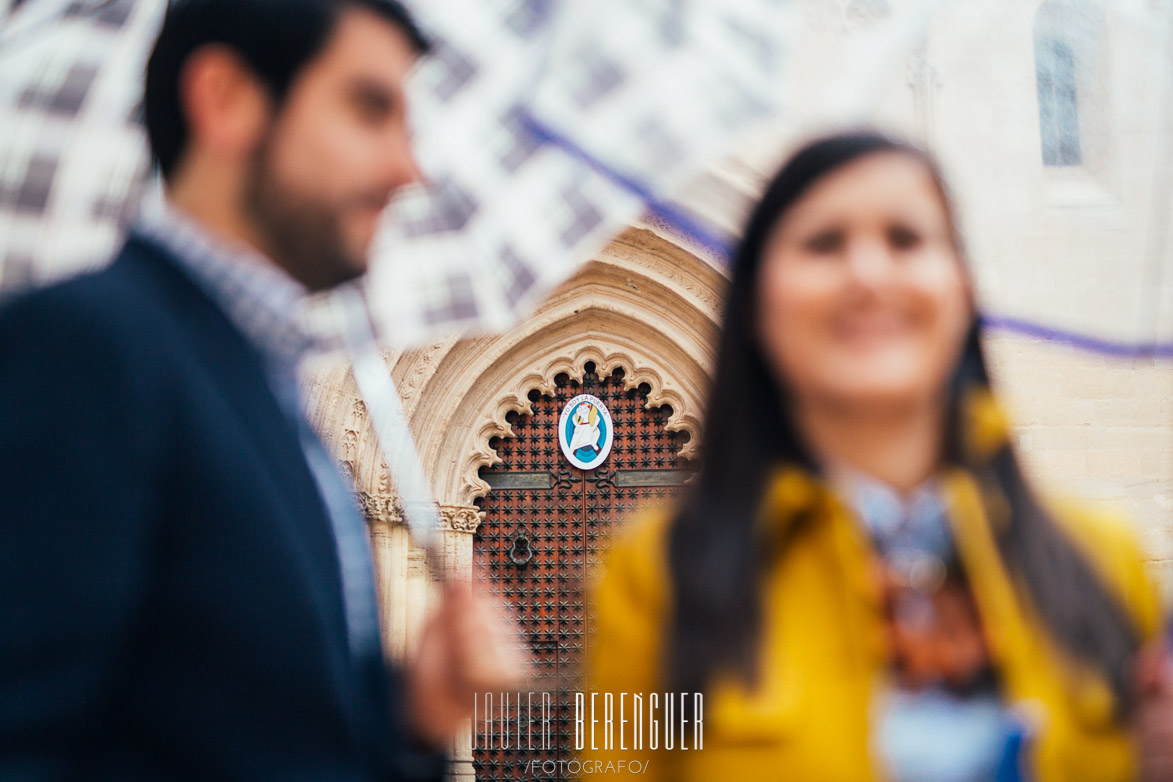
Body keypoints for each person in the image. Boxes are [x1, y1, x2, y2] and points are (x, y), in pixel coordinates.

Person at [0, 0, 522, 779]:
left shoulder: (270, 390)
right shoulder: (89, 346)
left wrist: (411, 713)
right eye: (368, 107)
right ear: (226, 99)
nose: (406, 168)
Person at [584, 131, 1170, 781]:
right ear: (755, 300)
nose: (867, 273)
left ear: (963, 288)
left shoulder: (1105, 566)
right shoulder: (651, 579)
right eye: (823, 243)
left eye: (905, 240)